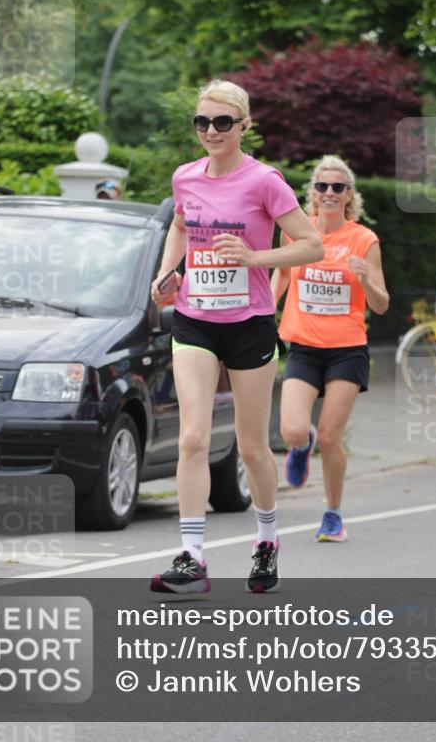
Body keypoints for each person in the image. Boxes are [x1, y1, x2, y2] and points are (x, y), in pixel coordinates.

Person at [149, 80, 323, 594]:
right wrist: (167, 275)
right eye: (201, 122)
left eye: (222, 122)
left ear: (244, 126)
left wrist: (255, 258)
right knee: (193, 437)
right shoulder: (186, 178)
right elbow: (180, 227)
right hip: (194, 319)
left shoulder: (265, 181)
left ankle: (267, 540)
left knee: (251, 447)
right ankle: (192, 557)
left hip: (249, 323)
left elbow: (311, 245)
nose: (210, 131)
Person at [271, 156, 389, 543]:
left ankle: (333, 514)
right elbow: (282, 276)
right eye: (323, 186)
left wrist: (365, 280)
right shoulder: (297, 234)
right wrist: (264, 314)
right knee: (291, 430)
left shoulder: (364, 239)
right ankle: (299, 447)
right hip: (304, 346)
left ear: (349, 195)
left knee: (331, 437)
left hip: (347, 350)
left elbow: (381, 303)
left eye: (338, 187)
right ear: (313, 193)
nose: (330, 193)